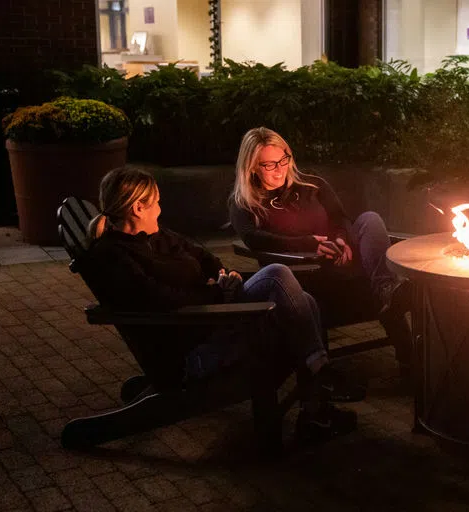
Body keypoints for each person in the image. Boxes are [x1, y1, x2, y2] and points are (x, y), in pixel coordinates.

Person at [84, 166, 361, 447]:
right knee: (278, 277)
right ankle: (319, 381)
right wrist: (217, 293)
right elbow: (162, 300)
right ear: (138, 207)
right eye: (155, 202)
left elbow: (203, 256)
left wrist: (222, 276)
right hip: (192, 351)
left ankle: (316, 406)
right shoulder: (113, 256)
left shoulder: (155, 235)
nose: (159, 208)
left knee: (304, 301)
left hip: (212, 322)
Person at [228, 127, 412, 375]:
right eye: (270, 165)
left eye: (284, 159)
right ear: (252, 167)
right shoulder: (245, 203)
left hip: (345, 260)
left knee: (370, 219)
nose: (280, 169)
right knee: (373, 284)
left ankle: (388, 291)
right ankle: (390, 315)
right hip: (306, 276)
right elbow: (255, 239)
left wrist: (341, 239)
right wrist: (310, 244)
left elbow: (339, 217)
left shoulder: (311, 183)